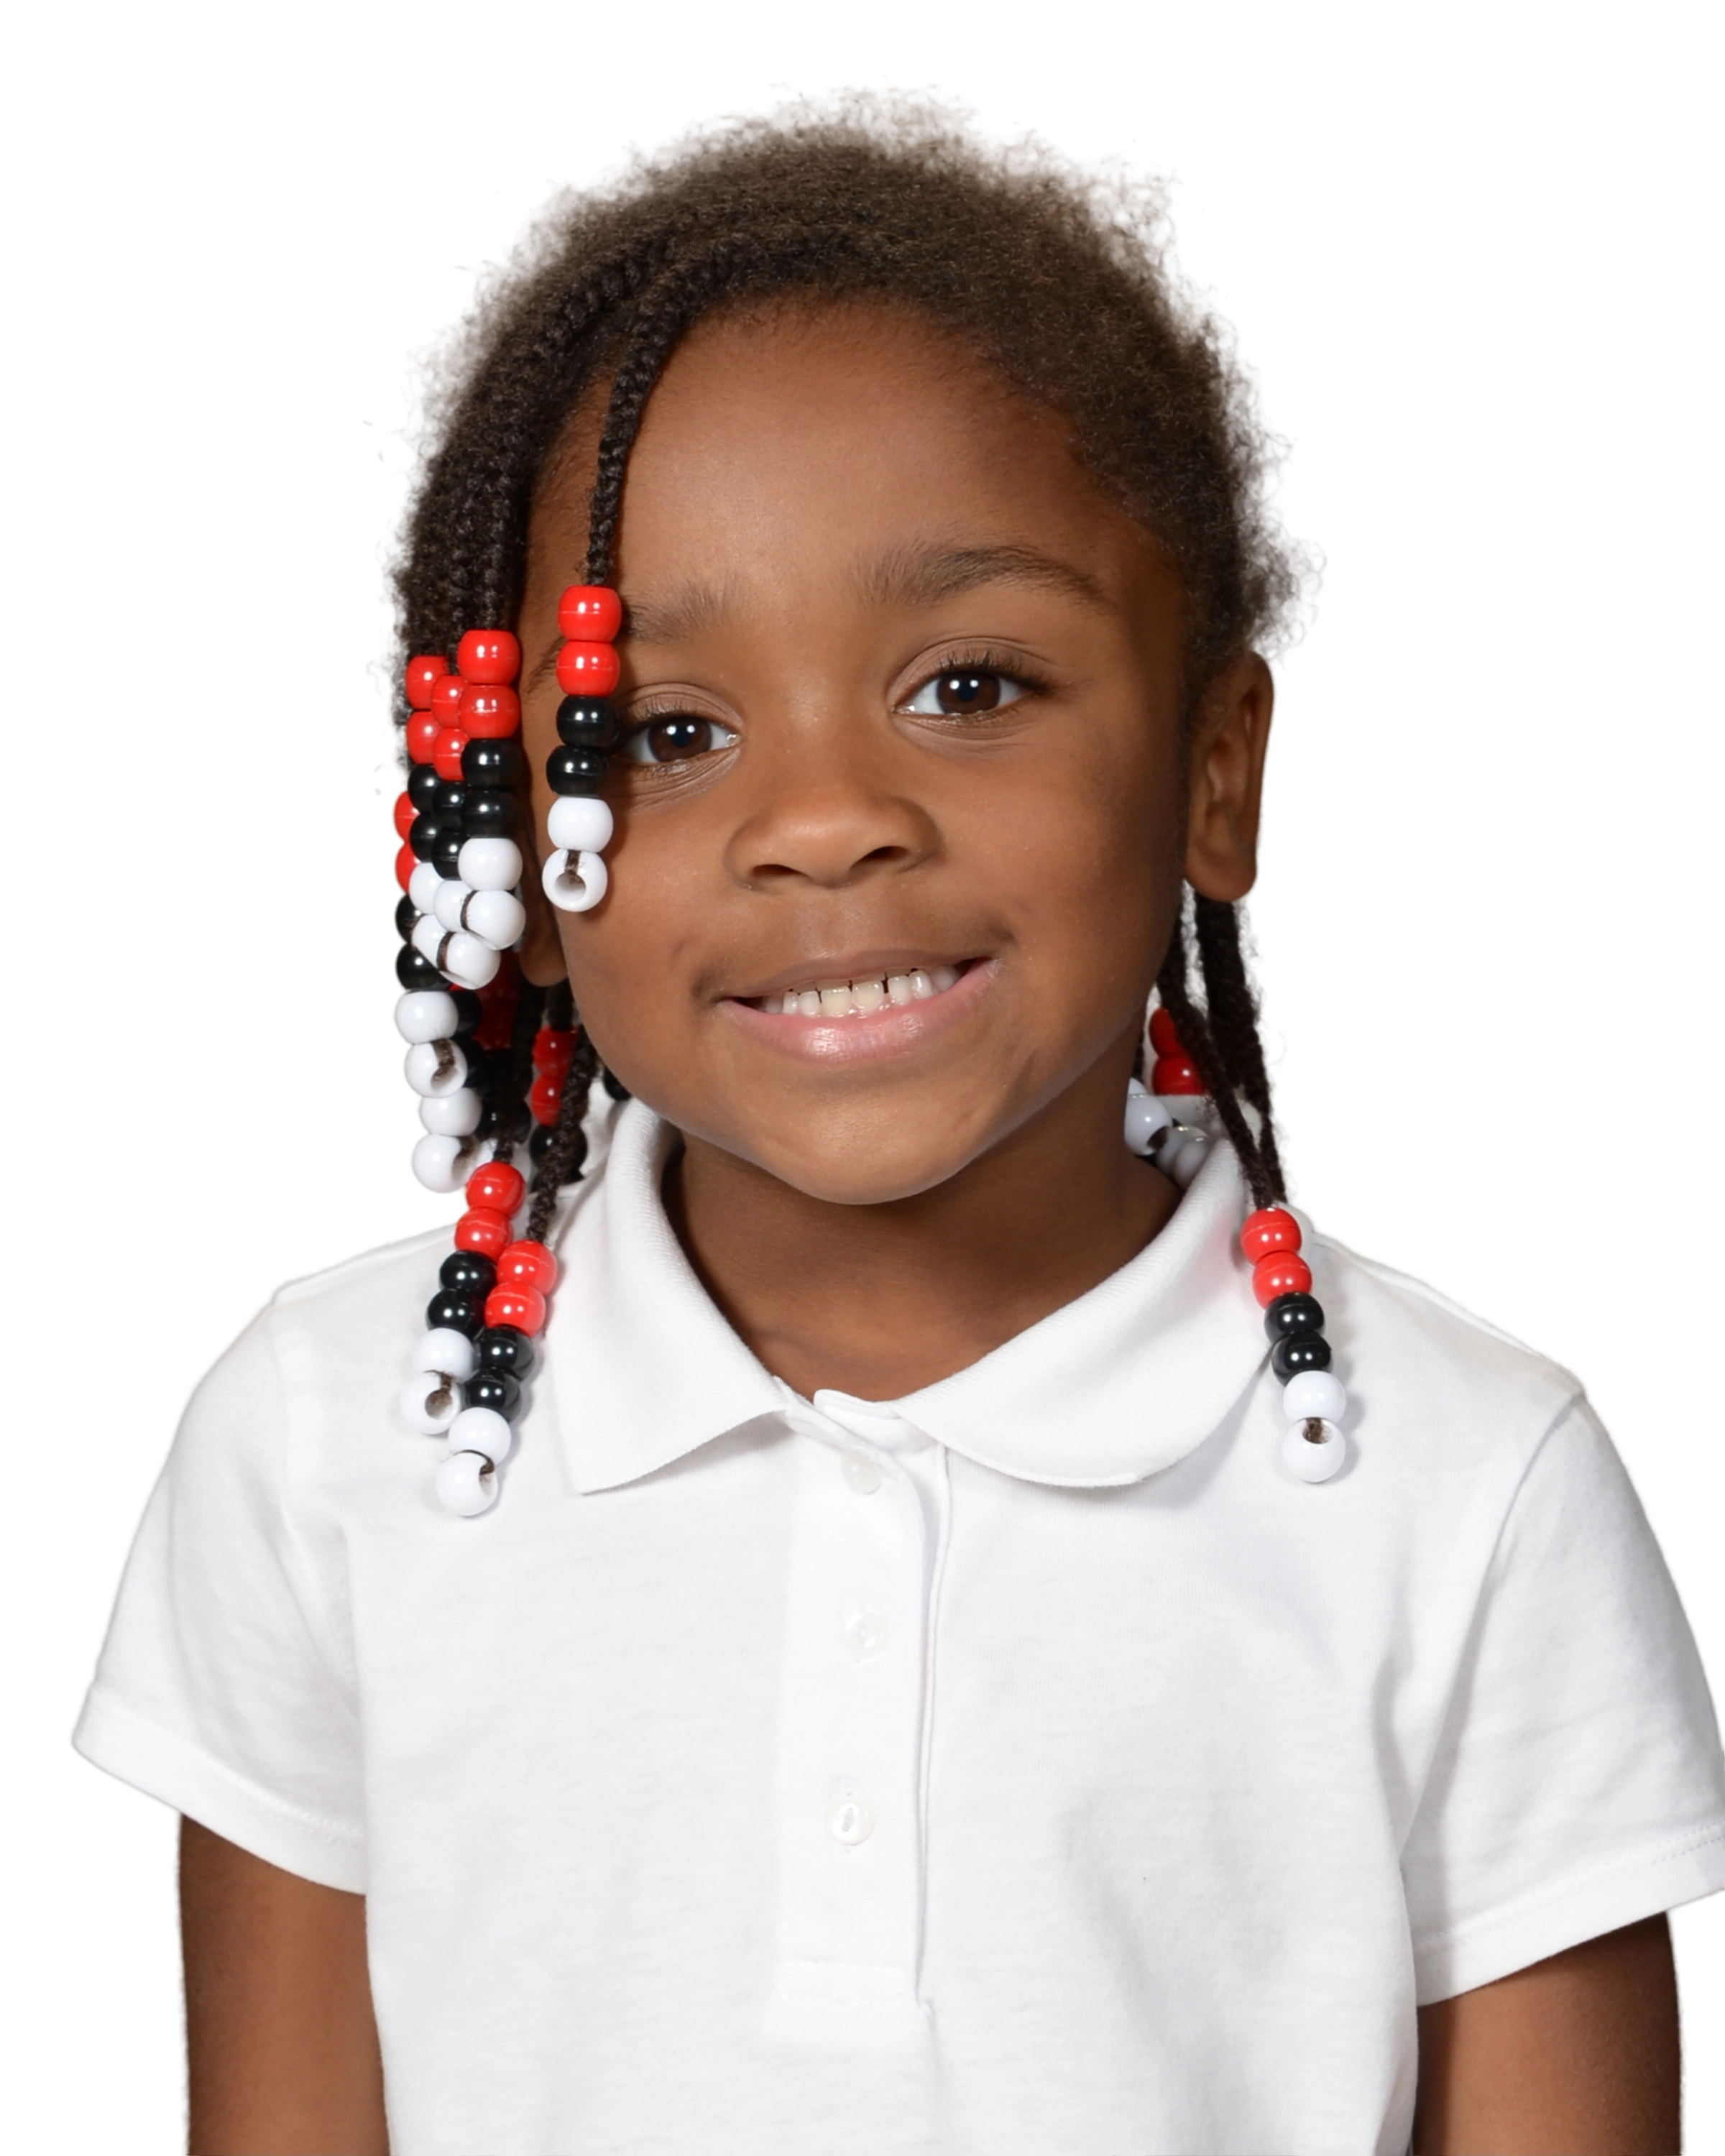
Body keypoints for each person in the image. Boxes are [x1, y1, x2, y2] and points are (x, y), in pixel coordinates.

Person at [65, 80, 1724, 2156]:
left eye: (970, 686)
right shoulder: (328, 1446)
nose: (827, 820)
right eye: (666, 730)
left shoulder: (1466, 1488)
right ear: (503, 854)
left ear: (1221, 766)